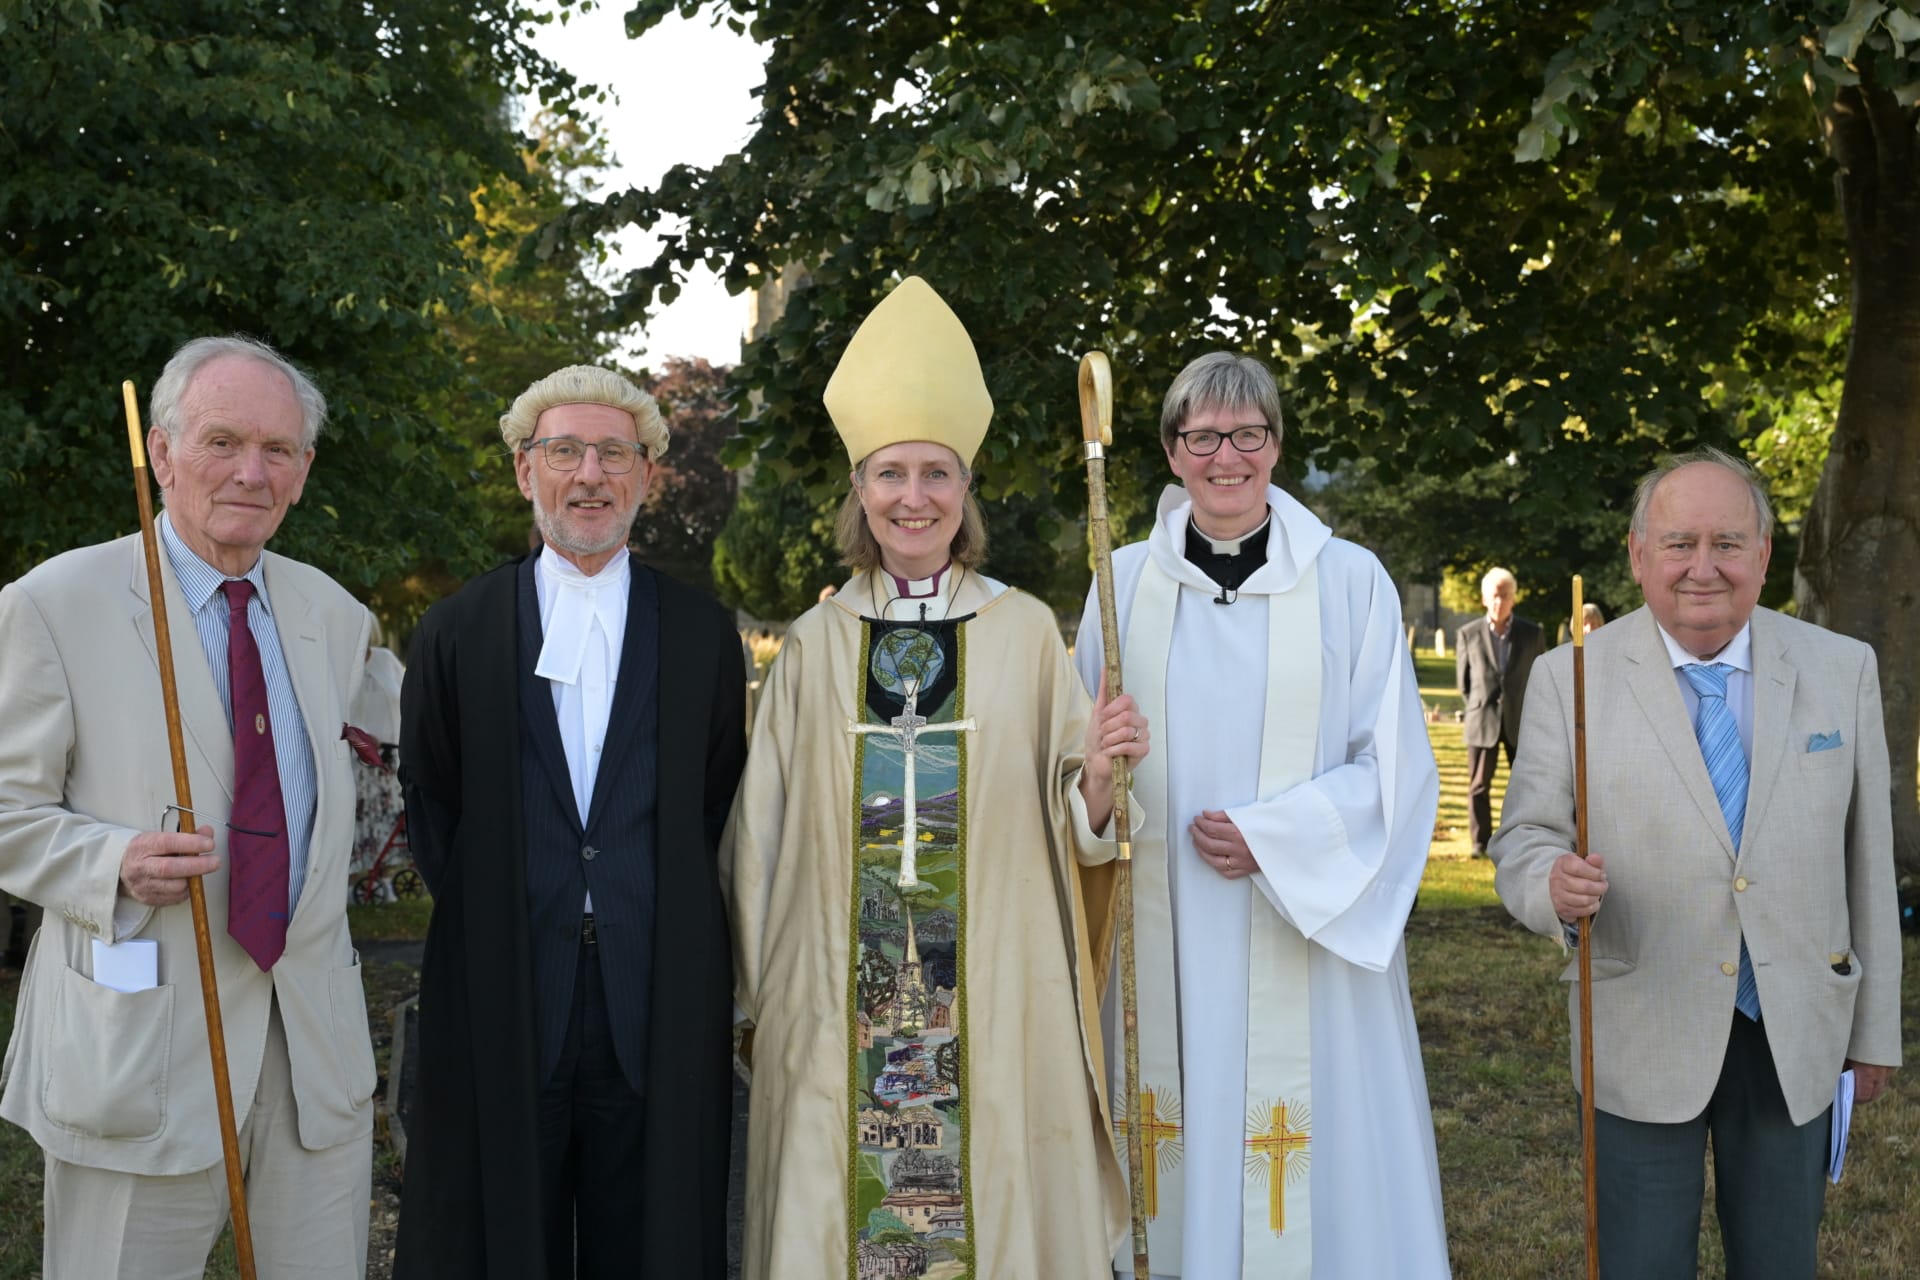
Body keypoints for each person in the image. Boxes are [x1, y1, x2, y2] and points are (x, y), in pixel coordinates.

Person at [723, 277, 1145, 1279]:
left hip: (996, 1004)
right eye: (889, 473)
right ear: (859, 490)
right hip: (841, 1011)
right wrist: (764, 995)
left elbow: (1081, 825)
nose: (913, 497)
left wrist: (1095, 776)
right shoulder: (819, 646)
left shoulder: (1026, 631)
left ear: (967, 490)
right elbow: (762, 837)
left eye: (937, 473)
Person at [0, 335, 378, 1277]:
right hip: (138, 1050)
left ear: (304, 472)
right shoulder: (56, 602)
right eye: (222, 442)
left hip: (311, 1064)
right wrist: (110, 861)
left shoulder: (333, 613)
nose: (251, 472)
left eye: (278, 450)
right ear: (161, 453)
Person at [1073, 352, 1449, 1278]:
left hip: (1307, 932)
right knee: (1174, 1128)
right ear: (1171, 453)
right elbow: (1074, 770)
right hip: (1163, 937)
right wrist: (1094, 782)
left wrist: (1277, 840)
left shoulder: (1351, 581)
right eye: (1203, 437)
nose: (1226, 457)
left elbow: (1396, 768)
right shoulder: (1118, 586)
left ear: (1276, 446)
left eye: (1248, 434)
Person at [1491, 447, 1902, 1279]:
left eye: (1727, 542)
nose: (1702, 568)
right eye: (1679, 544)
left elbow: (1869, 860)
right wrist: (1549, 885)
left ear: (1763, 554)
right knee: (1639, 1262)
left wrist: (1875, 1034)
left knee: (1781, 1261)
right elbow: (1525, 837)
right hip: (1637, 1023)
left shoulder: (1840, 667)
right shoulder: (1569, 678)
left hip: (1794, 1026)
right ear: (1639, 555)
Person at [395, 365, 746, 1278]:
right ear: (525, 472)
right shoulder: (457, 629)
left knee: (653, 1239)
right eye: (564, 452)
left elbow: (717, 797)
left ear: (646, 476)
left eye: (613, 454)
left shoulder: (703, 633)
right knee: (501, 1235)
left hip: (656, 988)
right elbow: (434, 800)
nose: (589, 475)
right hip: (507, 984)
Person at [1455, 566, 1546, 855]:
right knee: (1479, 786)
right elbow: (1464, 683)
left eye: (1505, 595)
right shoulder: (1468, 634)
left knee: (1527, 785)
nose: (1499, 601)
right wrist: (1480, 705)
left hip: (1521, 719)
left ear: (1513, 599)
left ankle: (1526, 839)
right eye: (1494, 595)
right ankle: (1480, 843)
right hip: (1482, 720)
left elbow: (1540, 677)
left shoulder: (1532, 634)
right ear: (1484, 599)